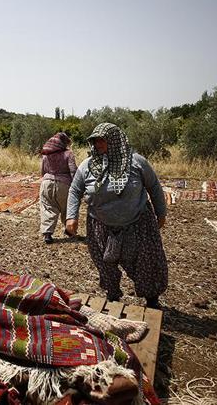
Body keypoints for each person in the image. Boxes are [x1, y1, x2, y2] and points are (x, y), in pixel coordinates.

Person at [65, 123, 168, 309]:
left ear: (115, 140)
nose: (97, 144)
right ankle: (113, 295)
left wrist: (161, 213)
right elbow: (75, 190)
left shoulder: (136, 162)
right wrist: (71, 216)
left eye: (101, 140)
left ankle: (152, 299)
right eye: (94, 140)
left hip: (138, 223)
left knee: (146, 261)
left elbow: (154, 187)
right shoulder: (88, 165)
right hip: (100, 224)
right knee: (105, 264)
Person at [39, 132, 77, 244]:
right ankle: (69, 230)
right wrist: (76, 187)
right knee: (67, 208)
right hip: (64, 185)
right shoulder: (68, 154)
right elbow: (73, 171)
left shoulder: (46, 155)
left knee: (47, 208)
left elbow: (42, 171)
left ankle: (47, 234)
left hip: (46, 184)